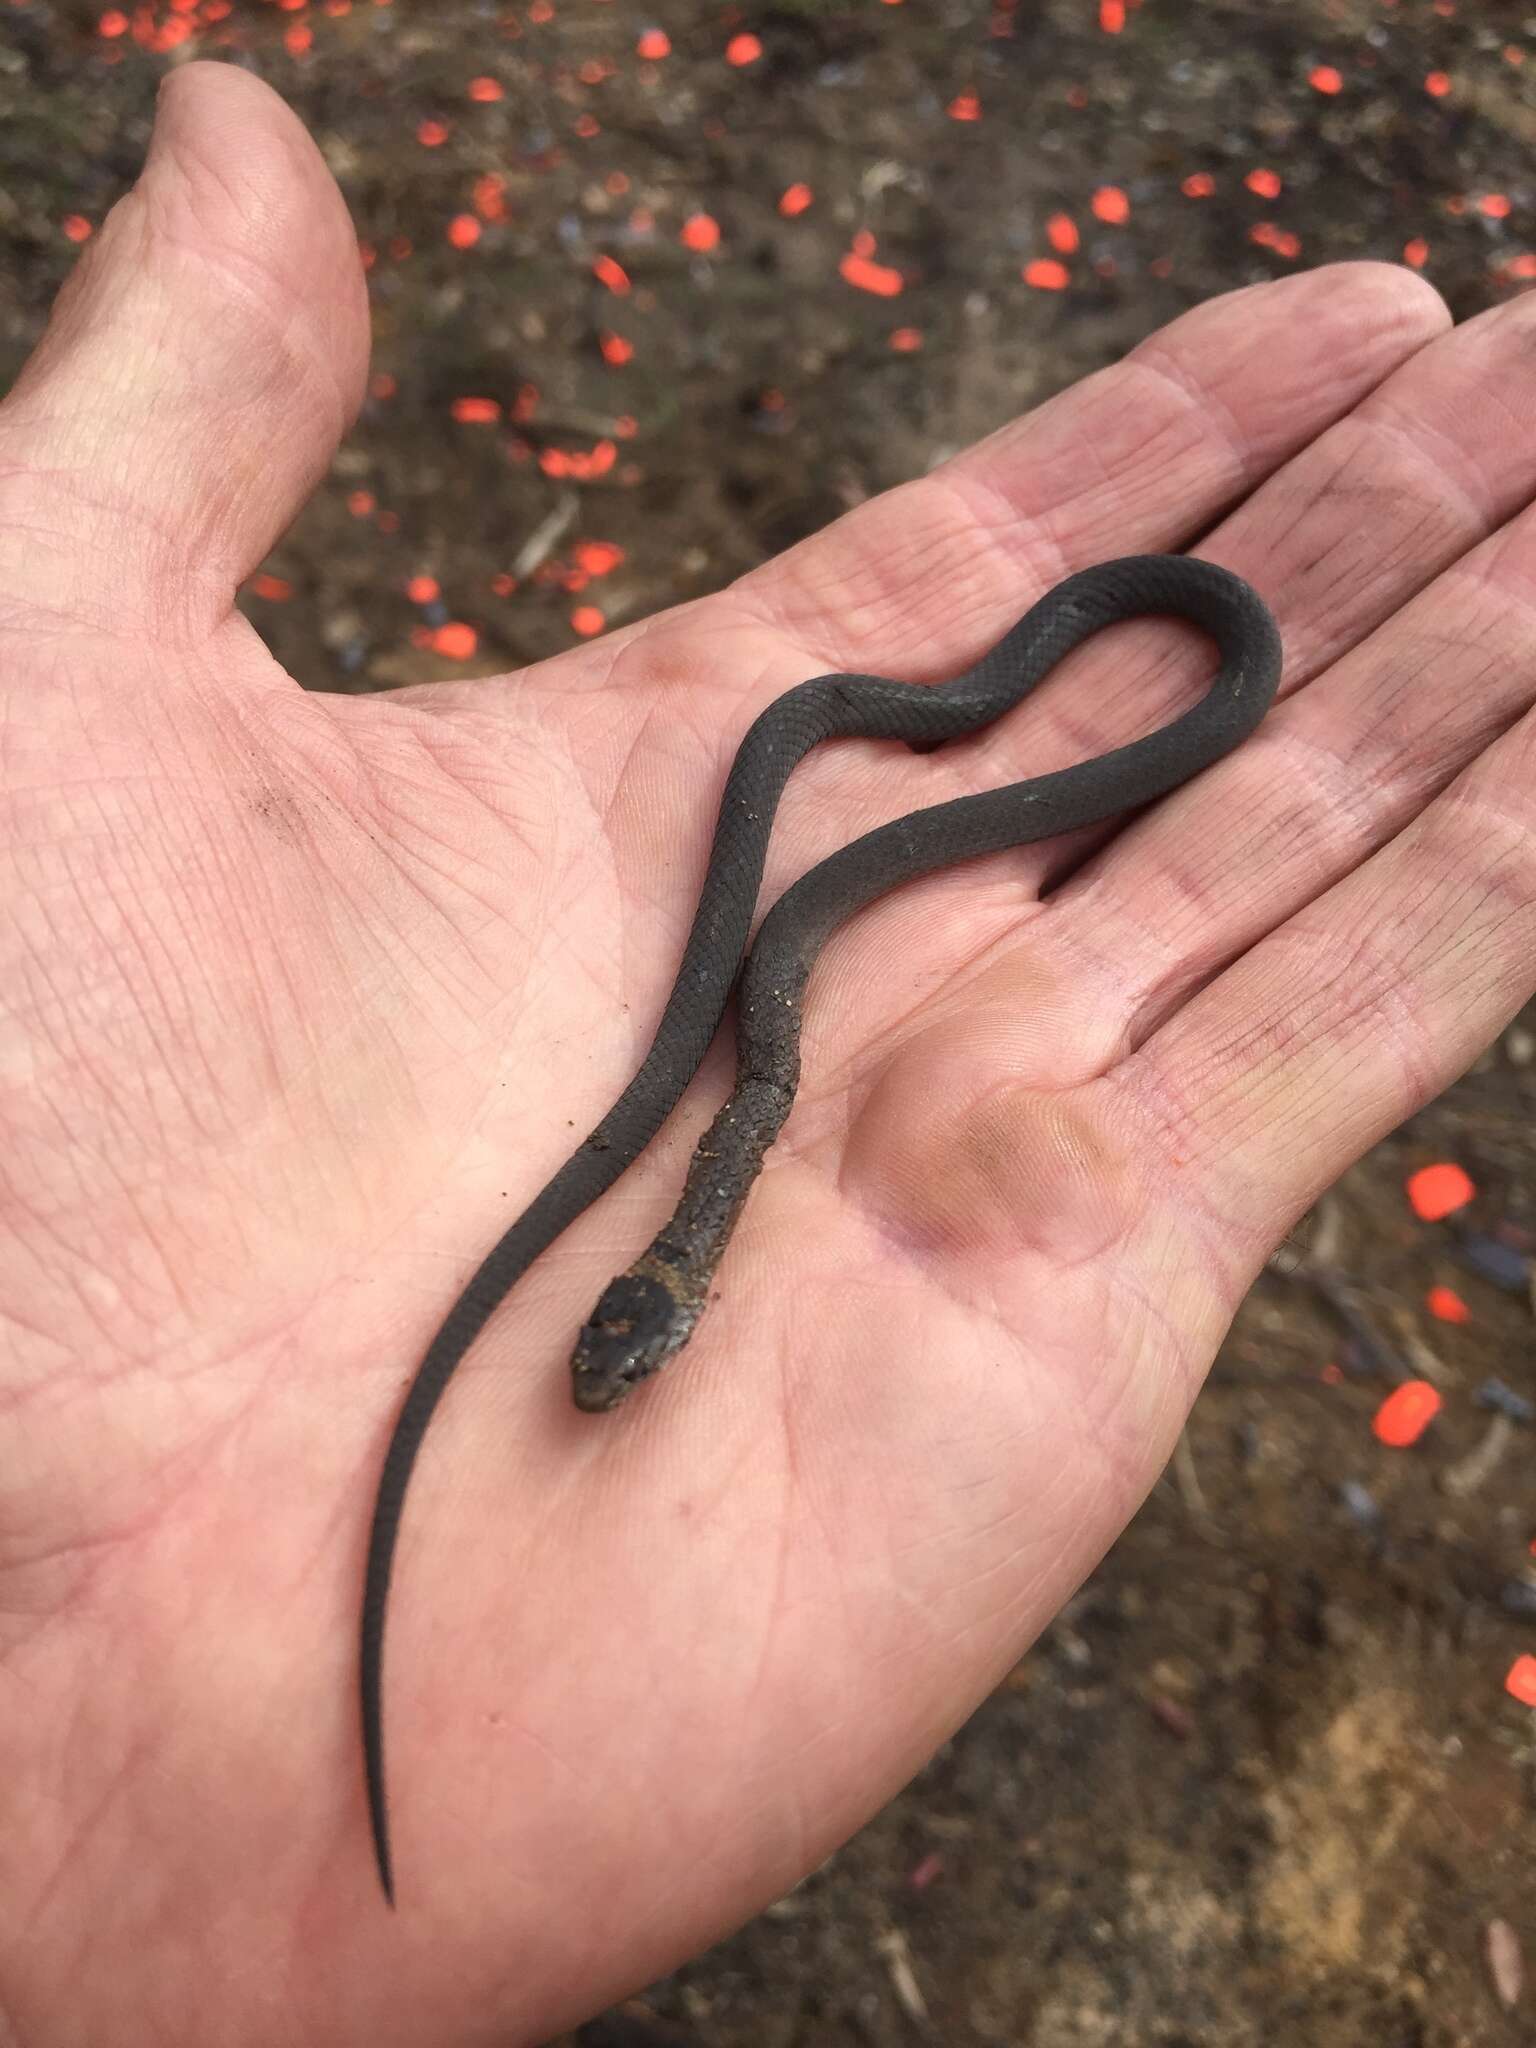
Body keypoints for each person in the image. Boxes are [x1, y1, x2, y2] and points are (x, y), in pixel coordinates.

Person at [1, 57, 1529, 2048]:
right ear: (674, 1313)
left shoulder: (737, 1124)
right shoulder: (727, 1148)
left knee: (774, 959)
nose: (606, 1368)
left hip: (1067, 684)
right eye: (628, 1350)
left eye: (618, 1342)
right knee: (753, 1014)